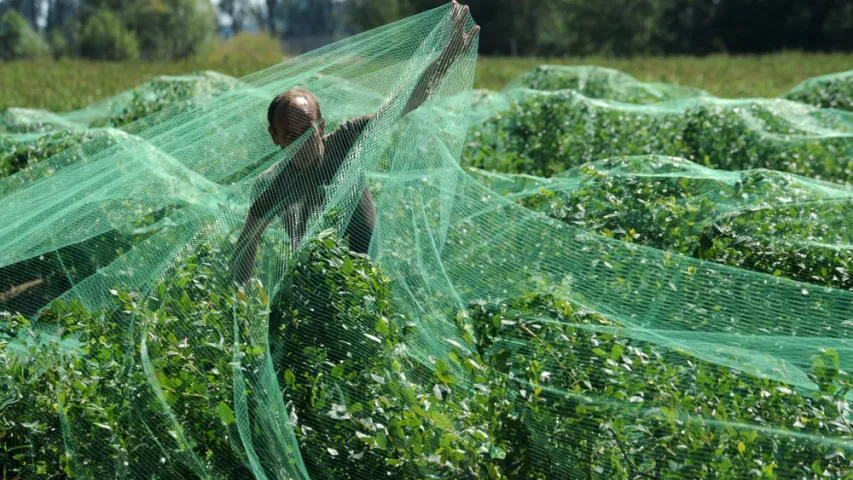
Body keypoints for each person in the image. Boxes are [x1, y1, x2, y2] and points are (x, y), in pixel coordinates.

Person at [231, 1, 479, 285]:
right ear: (274, 137)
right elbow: (247, 242)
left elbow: (405, 101)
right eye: (289, 136)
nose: (301, 144)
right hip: (314, 283)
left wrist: (448, 55)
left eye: (307, 132)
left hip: (366, 276)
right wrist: (244, 296)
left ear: (322, 127)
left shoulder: (346, 140)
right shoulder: (272, 184)